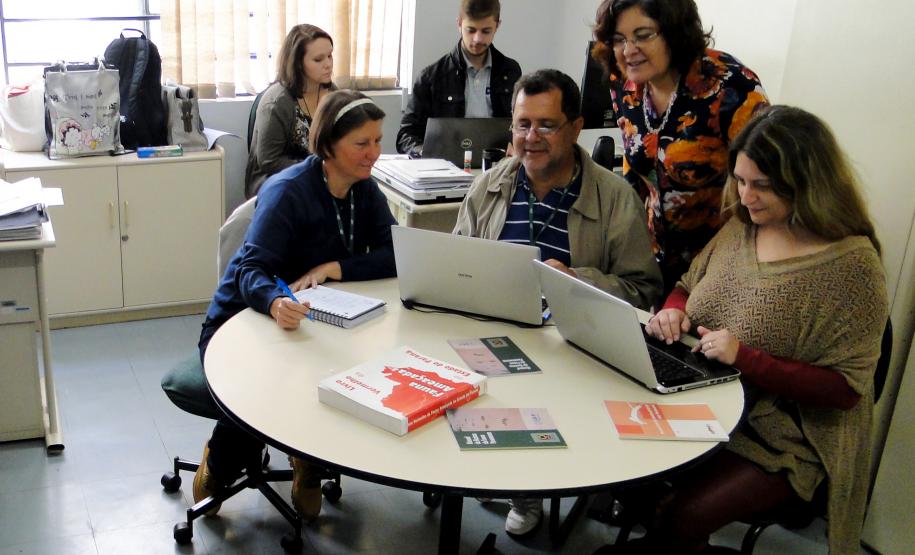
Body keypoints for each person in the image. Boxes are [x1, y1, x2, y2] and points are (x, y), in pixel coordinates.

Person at [601, 105, 887, 555]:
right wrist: (673, 312)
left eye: (762, 186)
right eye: (740, 180)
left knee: (683, 514)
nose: (745, 196)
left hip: (786, 436)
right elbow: (687, 286)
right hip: (709, 396)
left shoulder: (851, 267)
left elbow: (845, 390)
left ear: (808, 183)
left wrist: (746, 358)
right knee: (620, 460)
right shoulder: (743, 227)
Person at [162, 90, 396, 523]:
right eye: (362, 143)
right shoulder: (289, 191)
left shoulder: (366, 191)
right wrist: (273, 300)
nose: (374, 154)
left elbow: (397, 252)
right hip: (243, 317)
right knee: (258, 392)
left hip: (315, 322)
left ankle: (308, 463)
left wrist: (335, 267)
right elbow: (251, 270)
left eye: (378, 140)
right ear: (328, 145)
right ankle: (220, 463)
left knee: (333, 373)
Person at [454, 69, 663, 537]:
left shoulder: (614, 198)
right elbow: (456, 262)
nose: (531, 138)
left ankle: (527, 489)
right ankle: (494, 470)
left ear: (575, 128)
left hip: (570, 345)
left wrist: (575, 282)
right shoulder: (489, 185)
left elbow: (644, 292)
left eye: (546, 125)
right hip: (490, 331)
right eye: (522, 124)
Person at [591, 0, 769, 296]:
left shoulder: (732, 85)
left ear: (674, 32)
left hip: (723, 267)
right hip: (653, 261)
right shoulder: (622, 83)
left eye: (643, 35)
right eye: (619, 39)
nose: (628, 50)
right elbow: (635, 172)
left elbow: (764, 188)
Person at [395, 0, 521, 157]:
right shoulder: (431, 77)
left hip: (497, 167)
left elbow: (521, 125)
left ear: (497, 26)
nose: (477, 39)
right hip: (447, 169)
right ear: (459, 24)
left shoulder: (510, 71)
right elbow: (406, 135)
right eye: (471, 30)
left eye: (486, 31)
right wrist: (425, 153)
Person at [245, 24, 337, 198]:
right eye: (318, 59)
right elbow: (269, 161)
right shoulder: (277, 102)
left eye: (330, 56)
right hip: (277, 180)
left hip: (322, 175)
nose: (328, 64)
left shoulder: (334, 94)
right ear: (298, 64)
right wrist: (317, 170)